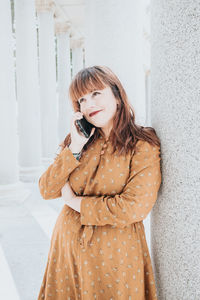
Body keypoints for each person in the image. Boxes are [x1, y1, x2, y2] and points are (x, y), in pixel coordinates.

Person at [37, 65, 162, 300]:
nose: (89, 104)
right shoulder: (77, 142)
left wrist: (75, 202)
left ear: (116, 95)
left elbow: (134, 207)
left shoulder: (143, 144)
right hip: (66, 253)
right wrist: (74, 147)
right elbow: (46, 189)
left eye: (96, 93)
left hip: (115, 257)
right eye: (81, 100)